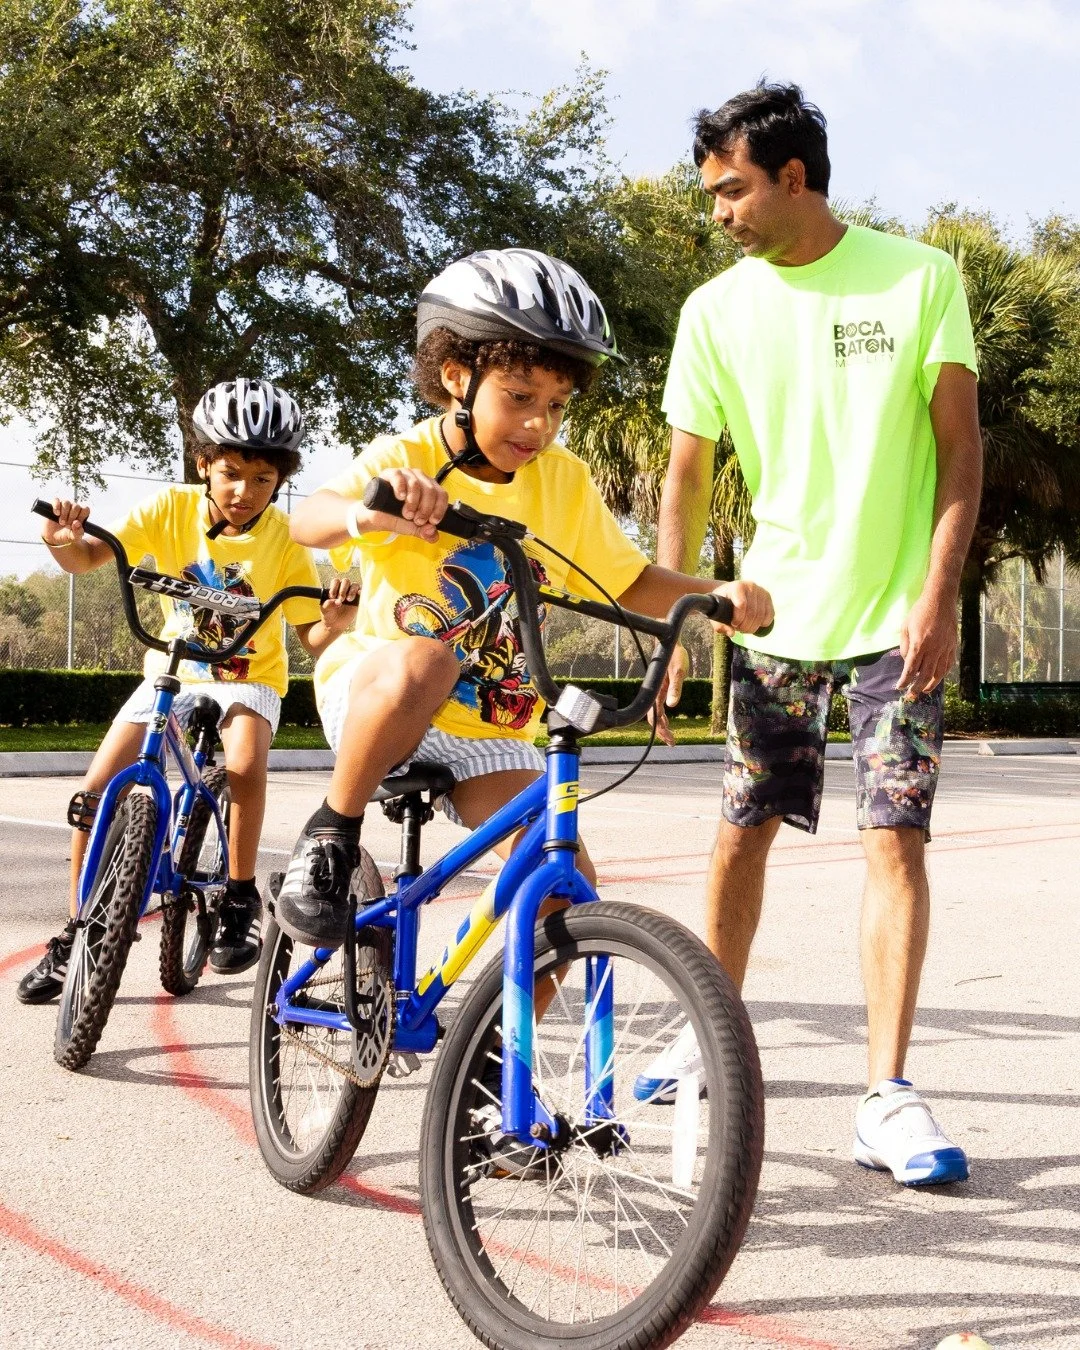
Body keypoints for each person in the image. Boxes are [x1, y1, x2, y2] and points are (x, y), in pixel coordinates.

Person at [643, 83, 982, 1188]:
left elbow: (960, 454)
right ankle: (710, 1042)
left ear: (794, 177)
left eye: (732, 189)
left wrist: (938, 596)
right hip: (770, 616)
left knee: (897, 837)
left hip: (897, 620)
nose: (720, 211)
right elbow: (685, 475)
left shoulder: (921, 276)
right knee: (743, 828)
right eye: (712, 194)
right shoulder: (713, 311)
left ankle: (884, 1097)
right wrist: (680, 613)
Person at [275, 247, 773, 949]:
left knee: (561, 896)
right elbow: (307, 518)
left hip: (487, 732)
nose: (539, 425)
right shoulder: (408, 459)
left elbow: (628, 580)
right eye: (519, 398)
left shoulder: (562, 481)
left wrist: (716, 593)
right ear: (456, 376)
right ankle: (330, 837)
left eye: (557, 406)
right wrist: (371, 512)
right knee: (426, 661)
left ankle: (492, 1053)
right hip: (380, 695)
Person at [16, 379, 359, 1005]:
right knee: (93, 795)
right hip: (172, 669)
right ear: (202, 463)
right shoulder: (167, 510)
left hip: (247, 676)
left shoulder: (284, 537)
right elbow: (89, 557)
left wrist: (333, 623)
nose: (244, 493)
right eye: (230, 473)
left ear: (280, 480)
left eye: (263, 479)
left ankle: (236, 897)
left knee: (246, 763)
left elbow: (311, 635)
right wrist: (62, 542)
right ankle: (75, 933)